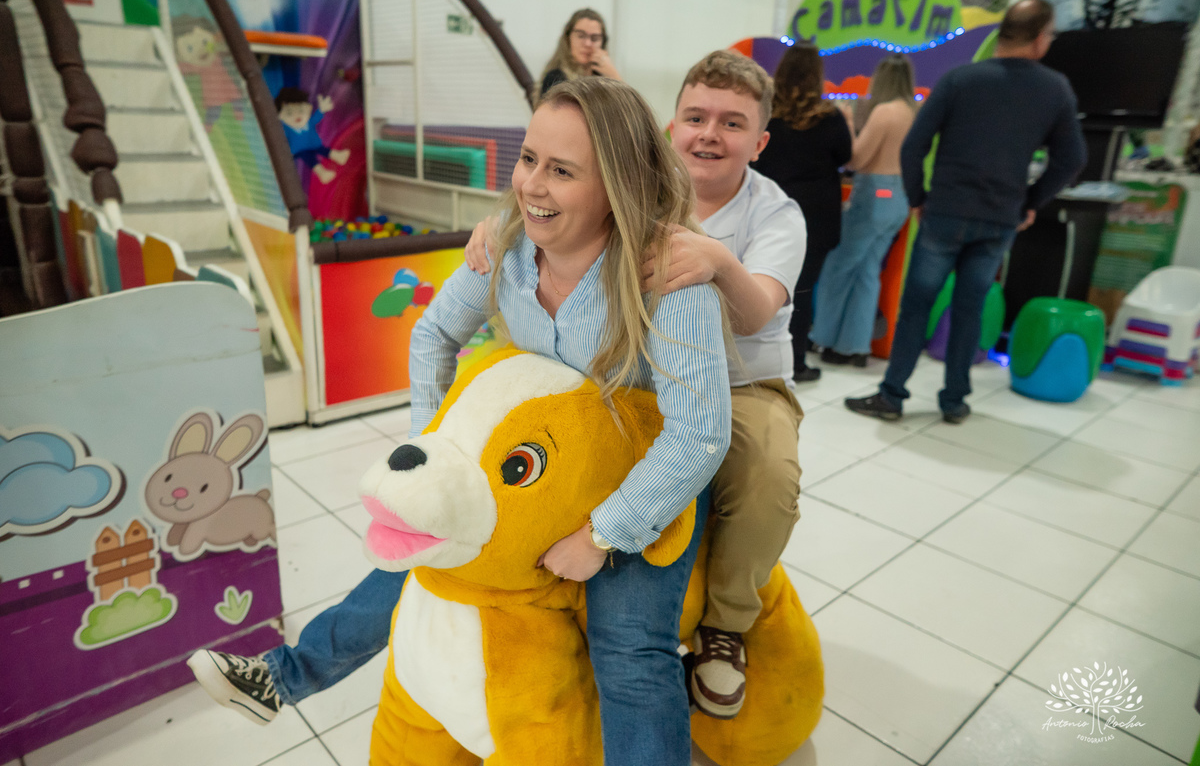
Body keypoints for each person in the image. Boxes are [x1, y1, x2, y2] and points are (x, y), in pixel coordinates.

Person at [192, 76, 731, 766]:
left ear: (617, 183)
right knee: (424, 554)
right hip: (532, 470)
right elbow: (431, 336)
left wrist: (603, 533)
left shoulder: (664, 273)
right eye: (529, 158)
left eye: (562, 170)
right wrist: (433, 442)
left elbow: (699, 435)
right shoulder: (506, 246)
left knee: (629, 648)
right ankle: (281, 678)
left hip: (638, 489)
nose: (533, 184)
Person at [467, 49, 807, 721]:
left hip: (743, 381)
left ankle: (726, 622)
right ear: (669, 128)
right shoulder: (639, 180)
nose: (709, 133)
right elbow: (561, 213)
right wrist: (510, 223)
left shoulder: (776, 214)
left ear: (759, 141)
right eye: (695, 117)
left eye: (731, 123)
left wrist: (714, 261)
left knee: (767, 470)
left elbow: (757, 311)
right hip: (634, 371)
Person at [845, 0, 1086, 423]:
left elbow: (915, 146)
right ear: (1038, 39)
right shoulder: (1056, 89)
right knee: (970, 307)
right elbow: (1071, 159)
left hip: (945, 210)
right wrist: (1030, 202)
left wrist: (918, 197)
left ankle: (892, 395)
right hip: (1000, 218)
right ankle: (954, 400)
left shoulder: (960, 80)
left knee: (917, 305)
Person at [751, 43, 852, 381]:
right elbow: (845, 156)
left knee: (760, 283)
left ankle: (755, 359)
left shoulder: (767, 113)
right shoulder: (829, 115)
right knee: (804, 290)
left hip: (767, 208)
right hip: (816, 214)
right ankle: (795, 362)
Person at [808, 53, 916, 368]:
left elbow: (855, 159)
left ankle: (825, 339)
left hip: (874, 193)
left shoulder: (884, 112)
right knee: (868, 272)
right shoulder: (913, 112)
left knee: (838, 267)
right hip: (898, 197)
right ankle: (855, 346)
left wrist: (849, 123)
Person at [538, 8, 621, 97]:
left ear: (603, 43)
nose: (587, 44)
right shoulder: (555, 78)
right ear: (568, 39)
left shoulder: (604, 76)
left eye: (595, 38)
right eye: (581, 36)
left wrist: (613, 76)